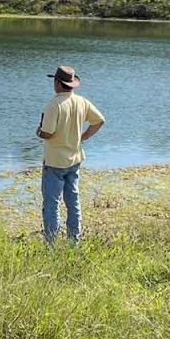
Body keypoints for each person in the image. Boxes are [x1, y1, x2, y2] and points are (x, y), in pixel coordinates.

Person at [35, 65, 105, 242]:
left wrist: (39, 132)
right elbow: (99, 121)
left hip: (54, 162)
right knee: (73, 202)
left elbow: (47, 132)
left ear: (58, 83)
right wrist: (82, 137)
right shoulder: (82, 102)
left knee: (51, 204)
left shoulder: (54, 105)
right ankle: (74, 240)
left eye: (54, 80)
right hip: (74, 159)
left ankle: (52, 243)